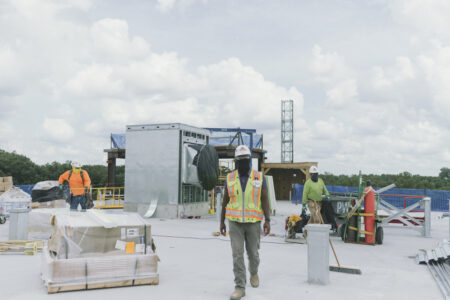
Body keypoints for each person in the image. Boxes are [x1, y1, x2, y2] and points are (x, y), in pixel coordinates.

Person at [220, 145, 271, 300]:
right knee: (237, 254)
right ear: (236, 161)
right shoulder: (229, 178)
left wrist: (267, 220)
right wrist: (222, 222)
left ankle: (254, 272)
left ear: (249, 160)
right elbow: (225, 201)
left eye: (245, 160)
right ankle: (240, 287)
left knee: (253, 253)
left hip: (253, 222)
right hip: (234, 222)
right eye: (239, 160)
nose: (242, 162)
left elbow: (264, 199)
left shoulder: (259, 177)